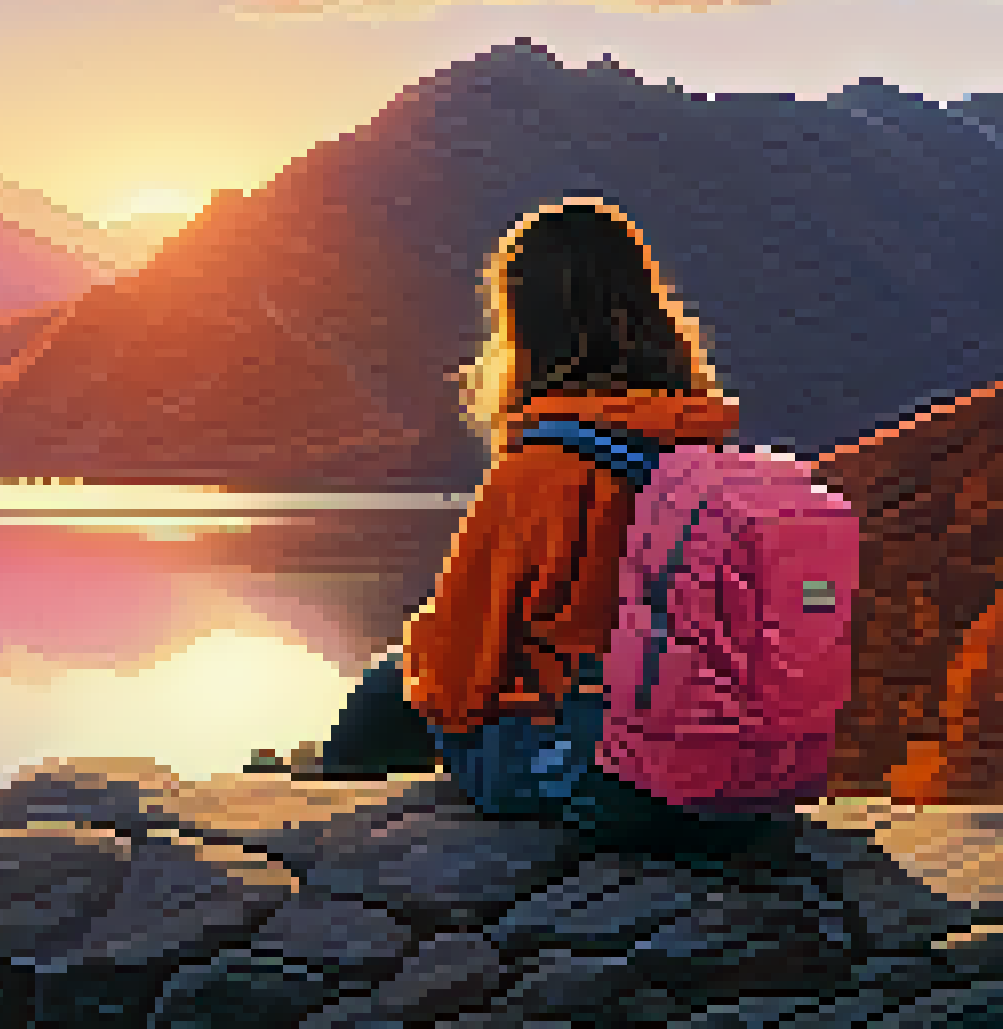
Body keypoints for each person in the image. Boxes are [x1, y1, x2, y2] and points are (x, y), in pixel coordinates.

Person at [275, 195, 796, 858]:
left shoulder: (548, 466)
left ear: (525, 326)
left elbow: (455, 671)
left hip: (604, 775)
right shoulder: (705, 453)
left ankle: (325, 848)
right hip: (735, 776)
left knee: (387, 691)